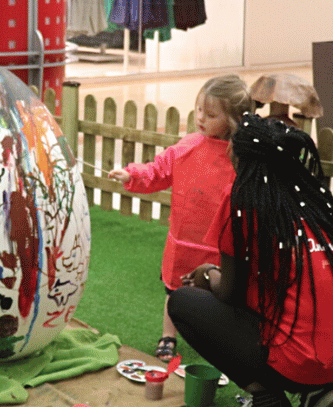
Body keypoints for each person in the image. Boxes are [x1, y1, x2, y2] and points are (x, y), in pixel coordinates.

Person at [167, 114, 333, 407]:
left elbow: (230, 291)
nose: (228, 149)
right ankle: (318, 391)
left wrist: (207, 275)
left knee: (182, 302)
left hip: (298, 360)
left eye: (233, 146)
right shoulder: (310, 198)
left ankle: (267, 403)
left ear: (243, 159)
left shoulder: (243, 199)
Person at [108, 74, 254, 363]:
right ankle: (168, 335)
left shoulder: (242, 157)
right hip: (184, 240)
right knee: (174, 289)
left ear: (234, 120)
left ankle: (215, 339)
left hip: (221, 244)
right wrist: (132, 174)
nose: (200, 118)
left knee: (220, 294)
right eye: (199, 109)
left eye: (210, 114)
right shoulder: (188, 146)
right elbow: (158, 170)